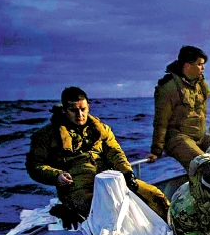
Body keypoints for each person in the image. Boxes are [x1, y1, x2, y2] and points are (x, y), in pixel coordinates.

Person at [26, 86, 170, 227]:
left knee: (155, 195)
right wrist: (56, 176)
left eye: (83, 109)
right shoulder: (45, 136)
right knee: (104, 211)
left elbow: (115, 153)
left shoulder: (102, 129)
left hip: (108, 180)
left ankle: (175, 231)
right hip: (76, 188)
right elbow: (34, 166)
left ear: (88, 106)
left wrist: (128, 174)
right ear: (64, 110)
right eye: (73, 110)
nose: (80, 114)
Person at [147, 45, 210, 171]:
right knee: (205, 165)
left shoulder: (199, 84)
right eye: (200, 64)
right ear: (187, 65)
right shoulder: (168, 88)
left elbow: (207, 98)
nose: (203, 68)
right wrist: (156, 150)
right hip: (178, 138)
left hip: (199, 137)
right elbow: (161, 121)